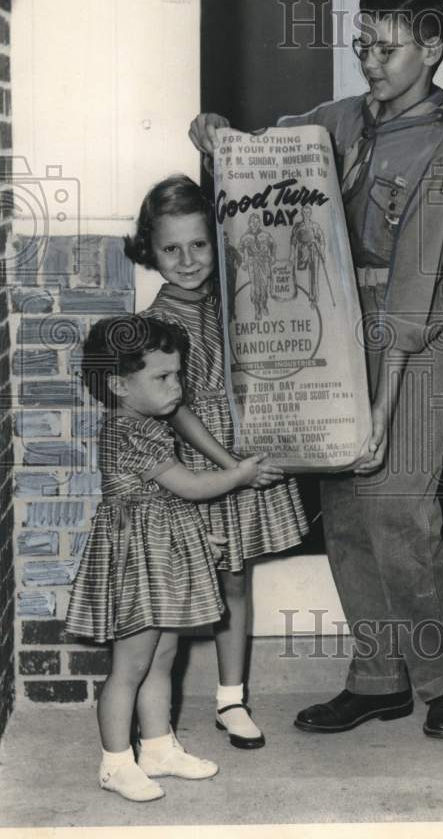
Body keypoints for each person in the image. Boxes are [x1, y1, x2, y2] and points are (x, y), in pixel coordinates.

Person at [189, 0, 443, 738]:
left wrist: (377, 410)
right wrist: (217, 137)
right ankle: (378, 678)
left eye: (387, 49)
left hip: (403, 344)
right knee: (346, 519)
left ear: (433, 48)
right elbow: (259, 161)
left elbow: (414, 289)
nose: (371, 63)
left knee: (400, 516)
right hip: (329, 332)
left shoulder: (442, 153)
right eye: (363, 46)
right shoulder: (333, 121)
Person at [124, 176, 309, 750]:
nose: (187, 260)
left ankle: (232, 700)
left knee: (234, 581)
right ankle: (153, 715)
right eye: (171, 249)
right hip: (198, 463)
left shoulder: (233, 301)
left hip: (241, 452)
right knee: (178, 591)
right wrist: (233, 466)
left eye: (199, 245)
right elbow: (176, 411)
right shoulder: (156, 321)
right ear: (150, 253)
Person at [65, 315, 265, 802]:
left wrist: (200, 541)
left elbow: (167, 502)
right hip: (139, 561)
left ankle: (156, 747)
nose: (176, 386)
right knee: (130, 666)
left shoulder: (147, 423)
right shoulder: (126, 431)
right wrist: (238, 474)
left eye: (177, 374)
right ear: (119, 386)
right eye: (162, 377)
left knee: (164, 657)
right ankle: (115, 762)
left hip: (161, 555)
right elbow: (191, 488)